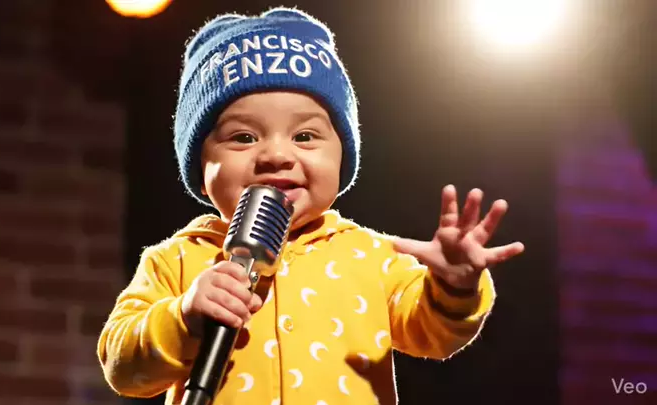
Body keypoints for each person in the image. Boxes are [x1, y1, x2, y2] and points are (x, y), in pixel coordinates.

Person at [97, 6, 525, 405]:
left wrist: (454, 286)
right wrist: (184, 317)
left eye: (304, 136)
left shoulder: (370, 256)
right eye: (244, 137)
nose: (276, 155)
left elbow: (432, 333)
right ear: (200, 165)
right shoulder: (174, 260)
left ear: (342, 158)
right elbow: (123, 367)